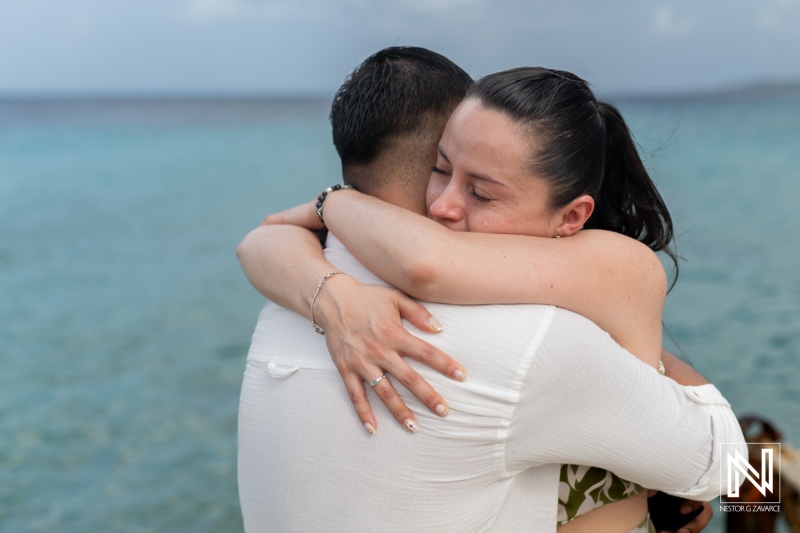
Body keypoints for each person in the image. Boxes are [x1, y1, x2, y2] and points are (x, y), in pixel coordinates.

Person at [238, 51, 742, 532]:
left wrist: (332, 206)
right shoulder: (538, 337)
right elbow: (735, 466)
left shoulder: (288, 301)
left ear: (572, 217)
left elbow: (416, 259)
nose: (441, 207)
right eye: (439, 170)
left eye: (481, 193)